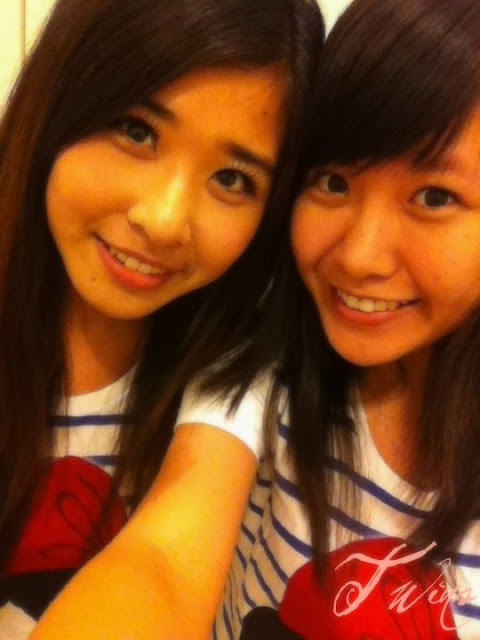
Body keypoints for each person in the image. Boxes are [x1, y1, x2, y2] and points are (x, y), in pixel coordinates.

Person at [134, 0, 480, 638]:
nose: (358, 256)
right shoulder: (263, 362)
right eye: (333, 183)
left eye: (434, 197)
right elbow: (161, 562)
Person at [0, 0, 324, 637]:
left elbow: (164, 568)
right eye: (137, 131)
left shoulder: (236, 354)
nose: (165, 220)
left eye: (232, 178)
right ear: (59, 95)